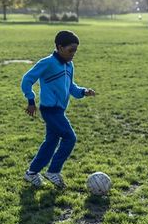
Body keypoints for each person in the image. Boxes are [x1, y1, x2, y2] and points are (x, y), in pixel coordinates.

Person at [21, 30, 96, 188]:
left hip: (59, 111)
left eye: (75, 50)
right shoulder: (47, 63)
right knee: (70, 138)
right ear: (59, 47)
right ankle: (53, 171)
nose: (73, 54)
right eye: (70, 50)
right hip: (50, 110)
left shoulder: (69, 65)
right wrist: (30, 100)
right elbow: (27, 79)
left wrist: (83, 91)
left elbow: (71, 87)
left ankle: (31, 173)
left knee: (50, 142)